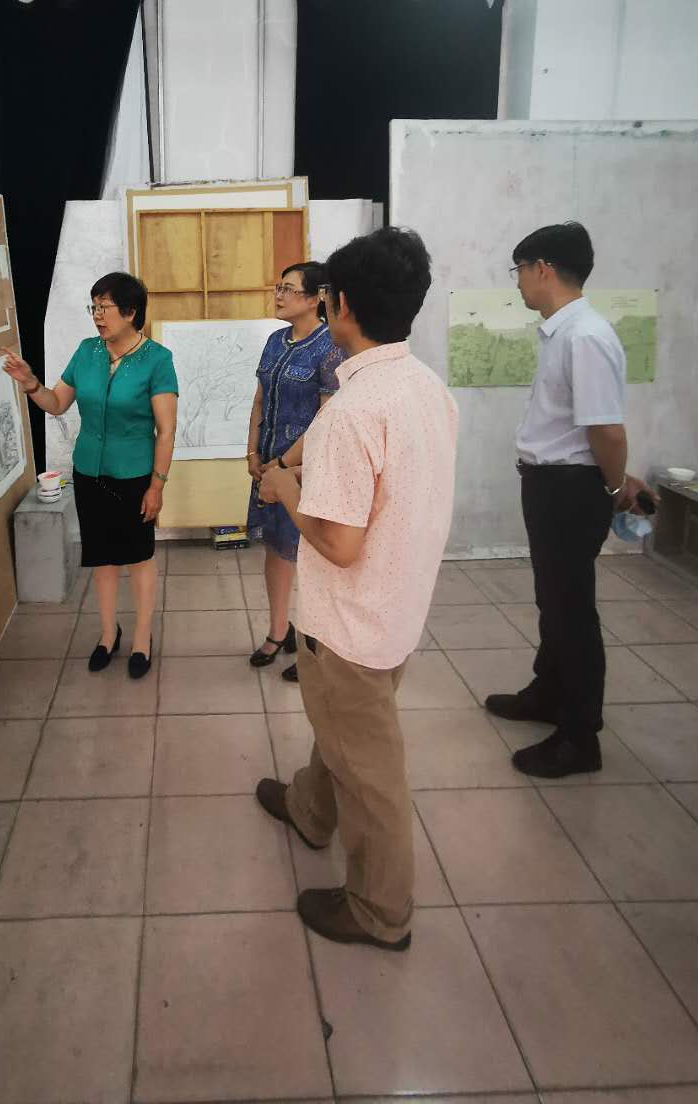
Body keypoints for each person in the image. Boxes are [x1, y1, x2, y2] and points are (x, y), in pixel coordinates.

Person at [256, 227, 457, 950]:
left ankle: (380, 912)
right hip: (398, 608)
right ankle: (311, 810)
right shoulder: (425, 388)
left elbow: (340, 544)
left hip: (349, 624)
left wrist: (284, 490)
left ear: (338, 306)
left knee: (372, 775)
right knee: (346, 733)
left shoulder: (350, 411)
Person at [483, 222, 650, 778]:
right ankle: (549, 693)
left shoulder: (584, 336)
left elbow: (607, 430)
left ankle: (580, 737)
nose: (518, 282)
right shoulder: (565, 332)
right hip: (554, 485)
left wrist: (614, 488)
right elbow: (590, 429)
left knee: (571, 609)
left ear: (543, 268)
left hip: (571, 490)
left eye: (519, 270)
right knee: (553, 600)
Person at [2, 272, 177, 679]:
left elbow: (166, 430)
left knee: (138, 557)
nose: (97, 315)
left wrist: (156, 486)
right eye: (93, 307)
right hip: (89, 473)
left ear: (130, 312)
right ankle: (108, 633)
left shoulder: (157, 359)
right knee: (102, 557)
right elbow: (57, 403)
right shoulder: (87, 352)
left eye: (104, 307)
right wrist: (30, 383)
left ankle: (142, 637)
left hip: (134, 475)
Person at [246, 262, 344, 681]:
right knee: (276, 549)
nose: (279, 295)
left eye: (288, 288)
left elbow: (326, 420)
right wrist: (252, 452)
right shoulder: (275, 341)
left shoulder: (330, 346)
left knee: (311, 558)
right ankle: (278, 631)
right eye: (278, 287)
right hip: (268, 466)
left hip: (305, 471)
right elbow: (259, 400)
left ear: (317, 297)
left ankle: (314, 646)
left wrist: (285, 465)